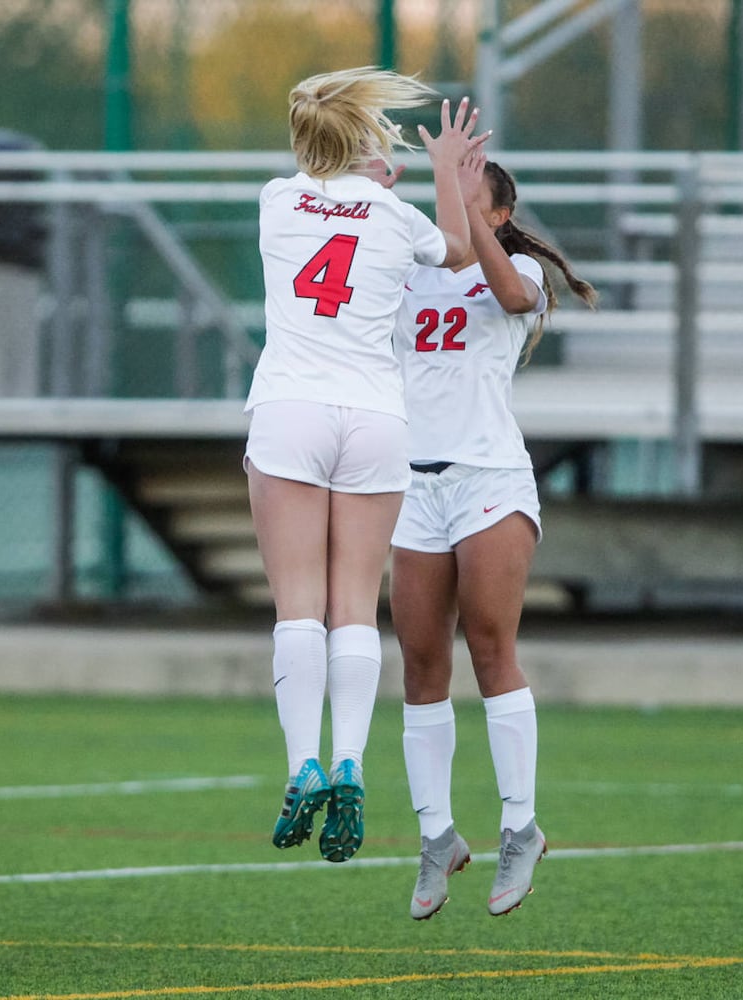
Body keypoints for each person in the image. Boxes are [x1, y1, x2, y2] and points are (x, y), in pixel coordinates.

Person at [247, 67, 489, 863]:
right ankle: (350, 759)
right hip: (377, 418)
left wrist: (362, 166)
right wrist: (450, 173)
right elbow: (455, 251)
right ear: (369, 149)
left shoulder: (276, 201)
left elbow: (325, 178)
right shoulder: (394, 215)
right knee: (354, 606)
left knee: (296, 609)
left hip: (290, 410)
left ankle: (302, 765)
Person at [390, 152, 597, 918]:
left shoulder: (515, 271)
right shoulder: (410, 269)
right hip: (413, 483)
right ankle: (435, 836)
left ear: (499, 214)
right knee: (418, 660)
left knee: (488, 645)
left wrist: (464, 208)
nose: (446, 197)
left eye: (465, 190)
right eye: (441, 186)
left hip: (487, 480)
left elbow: (508, 296)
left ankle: (520, 827)